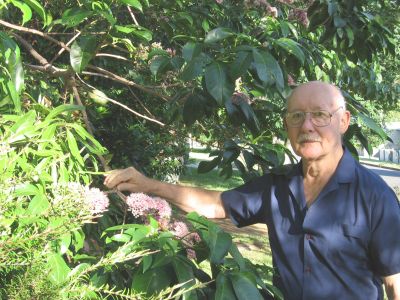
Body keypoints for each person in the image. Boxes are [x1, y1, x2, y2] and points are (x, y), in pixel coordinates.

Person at [104, 81, 400, 300]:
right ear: (287, 125)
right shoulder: (277, 186)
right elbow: (218, 204)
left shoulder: (375, 197)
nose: (307, 126)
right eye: (296, 116)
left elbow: (394, 282)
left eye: (320, 115)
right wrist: (149, 186)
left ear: (344, 121)